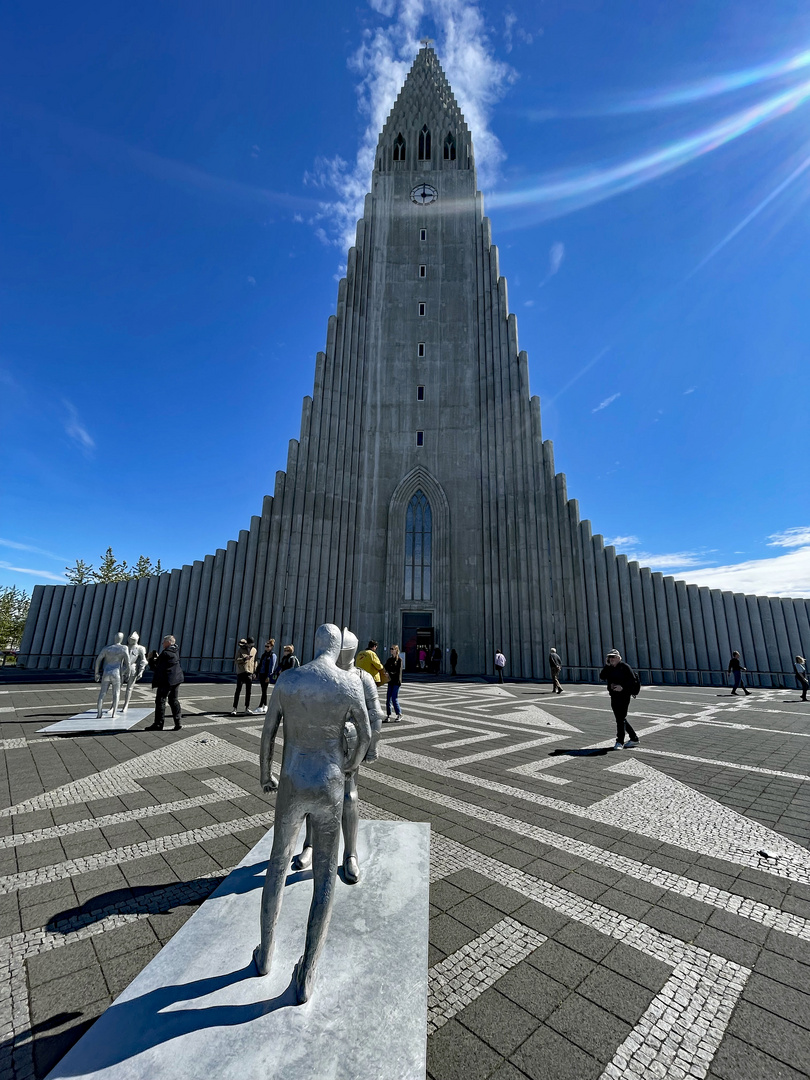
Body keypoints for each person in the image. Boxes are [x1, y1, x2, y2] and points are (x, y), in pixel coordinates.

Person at [254, 623, 371, 1003]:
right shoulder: (348, 683)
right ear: (338, 649)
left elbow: (268, 732)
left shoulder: (289, 679)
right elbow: (367, 735)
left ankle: (265, 956)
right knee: (324, 876)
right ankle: (307, 972)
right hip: (329, 784)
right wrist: (349, 765)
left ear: (316, 644)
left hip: (291, 782)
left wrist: (264, 773)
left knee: (277, 863)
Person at [291, 627, 384, 885]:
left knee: (348, 796)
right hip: (319, 742)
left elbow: (375, 714)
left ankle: (350, 853)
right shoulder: (322, 674)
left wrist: (371, 747)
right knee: (313, 791)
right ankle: (309, 845)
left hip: (348, 744)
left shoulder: (361, 677)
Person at [599, 649, 640, 750]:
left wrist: (622, 687)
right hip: (614, 695)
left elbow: (633, 681)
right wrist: (607, 665)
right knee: (620, 718)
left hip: (624, 695)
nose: (611, 659)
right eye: (609, 657)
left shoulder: (625, 667)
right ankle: (634, 738)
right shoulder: (610, 668)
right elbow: (602, 676)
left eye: (613, 657)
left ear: (618, 657)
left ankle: (620, 741)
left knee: (620, 718)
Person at [145, 635, 184, 731]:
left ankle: (158, 724)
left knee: (160, 701)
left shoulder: (165, 653)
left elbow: (157, 668)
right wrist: (158, 659)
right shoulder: (175, 650)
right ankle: (178, 721)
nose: (162, 643)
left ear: (169, 642)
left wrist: (150, 660)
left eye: (164, 642)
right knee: (173, 700)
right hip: (176, 678)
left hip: (166, 680)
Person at [93, 633, 130, 718]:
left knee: (102, 693)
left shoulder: (107, 648)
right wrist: (128, 672)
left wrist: (96, 673)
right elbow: (127, 662)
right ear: (122, 639)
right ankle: (114, 714)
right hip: (116, 672)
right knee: (116, 693)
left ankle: (99, 713)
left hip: (107, 671)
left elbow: (98, 660)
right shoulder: (124, 648)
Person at [122, 631, 148, 711]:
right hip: (123, 667)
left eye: (132, 639)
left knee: (129, 688)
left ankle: (126, 705)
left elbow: (144, 660)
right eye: (130, 638)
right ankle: (113, 706)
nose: (130, 640)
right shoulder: (124, 647)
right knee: (117, 687)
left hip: (133, 667)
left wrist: (141, 670)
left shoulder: (140, 648)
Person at [231, 636, 257, 715]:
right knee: (238, 690)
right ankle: (234, 708)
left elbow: (254, 661)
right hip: (241, 672)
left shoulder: (254, 650)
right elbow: (236, 660)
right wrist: (244, 659)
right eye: (250, 644)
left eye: (252, 644)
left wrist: (254, 671)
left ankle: (247, 708)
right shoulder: (240, 649)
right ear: (247, 643)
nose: (251, 646)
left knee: (248, 691)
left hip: (250, 672)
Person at [252, 638, 277, 714]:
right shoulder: (264, 655)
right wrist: (256, 672)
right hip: (262, 674)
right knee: (263, 690)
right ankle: (265, 705)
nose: (266, 648)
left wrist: (269, 676)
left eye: (268, 646)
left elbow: (271, 667)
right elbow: (260, 665)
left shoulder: (272, 655)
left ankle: (261, 706)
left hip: (266, 675)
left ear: (271, 647)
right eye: (266, 646)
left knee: (264, 690)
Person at [384, 644, 403, 720]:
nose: (391, 650)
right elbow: (384, 667)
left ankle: (399, 714)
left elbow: (398, 672)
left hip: (396, 682)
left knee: (394, 698)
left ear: (396, 650)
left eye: (392, 649)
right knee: (388, 698)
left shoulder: (399, 660)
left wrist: (389, 673)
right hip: (390, 681)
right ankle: (388, 715)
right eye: (390, 649)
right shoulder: (389, 660)